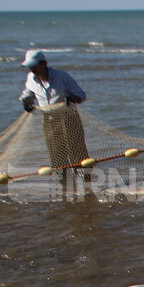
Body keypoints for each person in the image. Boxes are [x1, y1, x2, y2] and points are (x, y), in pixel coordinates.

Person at [19, 50, 89, 188]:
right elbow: (29, 92)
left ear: (44, 64)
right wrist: (26, 101)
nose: (32, 69)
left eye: (34, 66)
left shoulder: (62, 76)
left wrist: (71, 99)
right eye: (30, 67)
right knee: (57, 157)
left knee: (77, 154)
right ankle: (67, 188)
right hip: (49, 120)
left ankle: (88, 185)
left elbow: (81, 95)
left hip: (68, 118)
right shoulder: (31, 78)